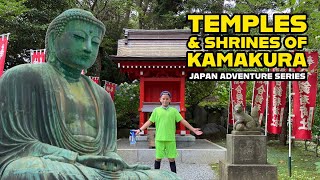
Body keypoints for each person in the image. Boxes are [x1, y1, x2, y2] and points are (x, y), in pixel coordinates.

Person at [0, 9, 180, 179]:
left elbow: (108, 150)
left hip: (93, 169)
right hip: (54, 164)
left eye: (95, 42)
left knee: (167, 177)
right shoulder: (23, 77)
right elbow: (18, 147)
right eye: (79, 37)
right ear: (54, 38)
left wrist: (112, 162)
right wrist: (75, 158)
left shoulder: (102, 96)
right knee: (26, 172)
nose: (88, 47)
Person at [135, 91, 203, 173]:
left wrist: (193, 129)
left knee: (171, 159)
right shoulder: (156, 111)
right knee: (158, 158)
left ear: (170, 100)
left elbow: (182, 121)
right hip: (159, 139)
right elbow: (149, 121)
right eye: (163, 99)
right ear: (160, 99)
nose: (165, 100)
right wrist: (140, 129)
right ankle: (156, 176)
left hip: (170, 139)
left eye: (167, 99)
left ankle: (174, 176)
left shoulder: (174, 111)